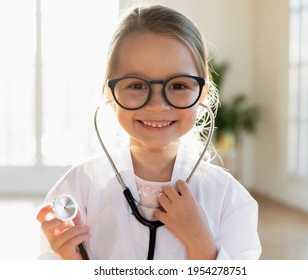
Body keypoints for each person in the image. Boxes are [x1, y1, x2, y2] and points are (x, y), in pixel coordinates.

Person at [36, 4, 261, 260]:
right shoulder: (78, 190)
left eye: (177, 85)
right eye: (136, 85)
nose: (157, 105)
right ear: (110, 92)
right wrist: (71, 260)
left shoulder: (229, 199)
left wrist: (201, 244)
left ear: (203, 93)